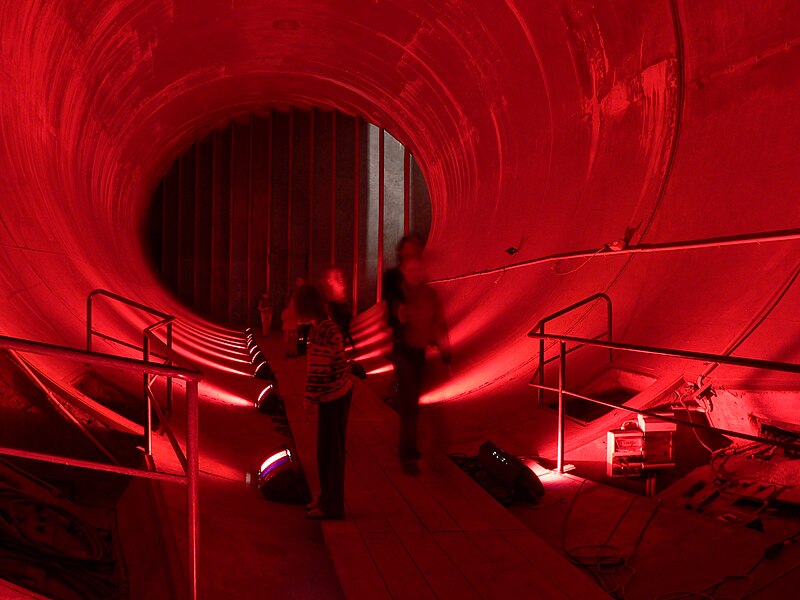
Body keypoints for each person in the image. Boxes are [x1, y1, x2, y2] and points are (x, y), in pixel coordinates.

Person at [384, 239, 451, 476]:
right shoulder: (400, 295)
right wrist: (402, 314)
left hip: (420, 353)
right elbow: (396, 319)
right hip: (404, 353)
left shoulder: (429, 294)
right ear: (404, 273)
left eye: (419, 270)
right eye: (411, 271)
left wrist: (445, 349)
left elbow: (437, 322)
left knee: (419, 405)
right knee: (410, 405)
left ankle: (422, 448)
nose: (416, 274)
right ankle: (408, 455)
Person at [294, 284, 353, 520]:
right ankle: (326, 501)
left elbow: (319, 370)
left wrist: (309, 400)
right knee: (327, 452)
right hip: (335, 395)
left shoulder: (323, 330)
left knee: (330, 454)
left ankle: (332, 506)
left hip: (334, 397)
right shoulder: (322, 326)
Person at [322, 266, 354, 350]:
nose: (341, 279)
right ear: (329, 281)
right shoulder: (331, 305)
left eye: (342, 276)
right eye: (336, 276)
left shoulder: (347, 302)